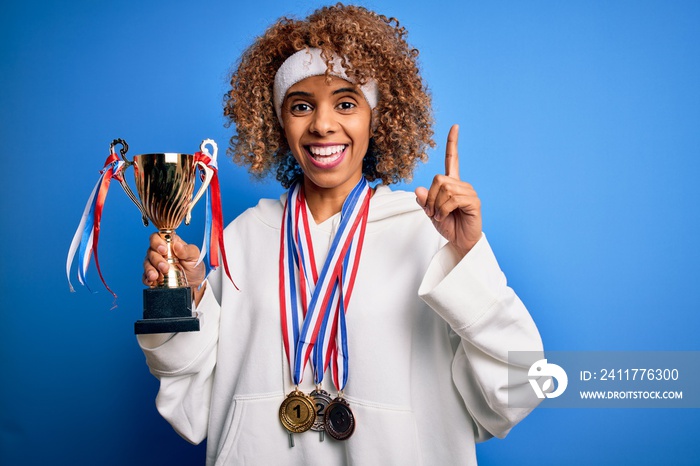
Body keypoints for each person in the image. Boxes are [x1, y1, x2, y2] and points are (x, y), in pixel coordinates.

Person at [139, 4, 543, 465]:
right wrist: (184, 297)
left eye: (346, 103)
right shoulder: (243, 238)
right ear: (278, 122)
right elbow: (192, 407)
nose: (323, 124)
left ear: (377, 117)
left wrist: (467, 254)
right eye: (302, 105)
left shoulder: (428, 235)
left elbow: (517, 388)